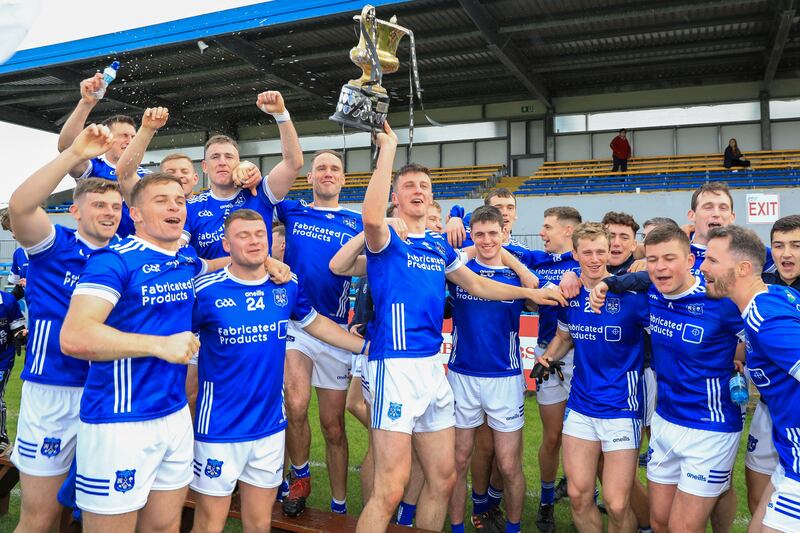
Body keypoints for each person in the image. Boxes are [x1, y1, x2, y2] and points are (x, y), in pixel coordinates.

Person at [355, 122, 564, 533]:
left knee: (445, 477)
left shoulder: (438, 246)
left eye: (425, 186)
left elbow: (479, 284)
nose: (418, 191)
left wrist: (534, 295)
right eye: (409, 185)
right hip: (394, 365)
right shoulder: (386, 240)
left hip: (433, 368)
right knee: (391, 487)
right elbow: (370, 217)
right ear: (396, 196)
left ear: (433, 196)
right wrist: (389, 151)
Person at [58, 173, 229, 532]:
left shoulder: (184, 259)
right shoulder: (113, 261)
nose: (174, 206)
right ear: (134, 214)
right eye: (162, 200)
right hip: (120, 420)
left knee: (165, 527)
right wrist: (159, 345)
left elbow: (214, 265)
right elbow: (74, 336)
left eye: (180, 200)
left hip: (174, 415)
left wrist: (265, 264)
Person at [189, 209, 367, 532]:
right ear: (226, 245)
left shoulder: (285, 285)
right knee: (208, 524)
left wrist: (366, 347)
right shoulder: (205, 291)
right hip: (219, 429)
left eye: (260, 234)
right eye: (243, 235)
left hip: (270, 428)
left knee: (260, 523)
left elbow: (317, 324)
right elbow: (173, 336)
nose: (254, 241)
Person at [593, 224, 746, 533]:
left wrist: (740, 357)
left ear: (690, 260)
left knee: (683, 527)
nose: (660, 267)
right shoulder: (651, 291)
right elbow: (632, 280)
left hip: (710, 429)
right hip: (664, 421)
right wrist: (606, 283)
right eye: (652, 259)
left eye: (669, 258)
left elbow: (757, 339)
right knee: (660, 521)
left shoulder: (722, 300)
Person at [7, 124, 123, 532]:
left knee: (96, 516)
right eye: (99, 206)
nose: (109, 213)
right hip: (53, 392)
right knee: (40, 517)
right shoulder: (54, 245)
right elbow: (20, 207)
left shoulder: (125, 258)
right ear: (75, 210)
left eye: (115, 207)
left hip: (108, 394)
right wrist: (74, 154)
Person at [537, 222, 648, 533]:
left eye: (602, 251)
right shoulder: (569, 294)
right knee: (577, 495)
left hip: (621, 410)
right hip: (581, 408)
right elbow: (563, 337)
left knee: (615, 503)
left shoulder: (630, 293)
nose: (596, 258)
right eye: (588, 252)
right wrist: (547, 358)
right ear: (575, 254)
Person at [275, 148, 363, 517]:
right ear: (309, 177)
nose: (328, 173)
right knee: (294, 404)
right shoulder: (293, 210)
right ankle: (300, 477)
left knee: (333, 426)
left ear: (344, 179)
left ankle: (339, 505)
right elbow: (263, 191)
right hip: (297, 324)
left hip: (336, 331)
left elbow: (379, 265)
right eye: (321, 168)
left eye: (335, 168)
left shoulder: (357, 221)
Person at [700, 225, 800, 533]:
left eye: (712, 260)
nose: (702, 267)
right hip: (788, 460)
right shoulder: (778, 295)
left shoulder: (765, 321)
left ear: (743, 268)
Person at [446, 205, 532, 533]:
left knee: (509, 465)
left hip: (504, 379)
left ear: (504, 234)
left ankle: (512, 528)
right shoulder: (459, 270)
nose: (486, 240)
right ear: (471, 235)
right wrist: (462, 239)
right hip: (461, 376)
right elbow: (438, 256)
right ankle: (457, 527)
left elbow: (536, 288)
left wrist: (510, 259)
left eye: (493, 233)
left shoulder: (516, 273)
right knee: (458, 461)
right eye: (479, 234)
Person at [743, 215, 800, 514]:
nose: (786, 253)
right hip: (768, 407)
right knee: (758, 495)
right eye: (779, 245)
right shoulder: (761, 281)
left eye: (796, 245)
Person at [58, 74, 149, 238]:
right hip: (102, 251)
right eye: (123, 135)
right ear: (107, 138)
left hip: (140, 254)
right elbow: (67, 148)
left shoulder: (148, 176)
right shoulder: (94, 167)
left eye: (133, 137)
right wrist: (86, 103)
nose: (130, 141)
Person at [0, 284, 25, 453]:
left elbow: (19, 329)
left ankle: (1, 438)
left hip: (2, 359)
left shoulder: (8, 302)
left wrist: (20, 337)